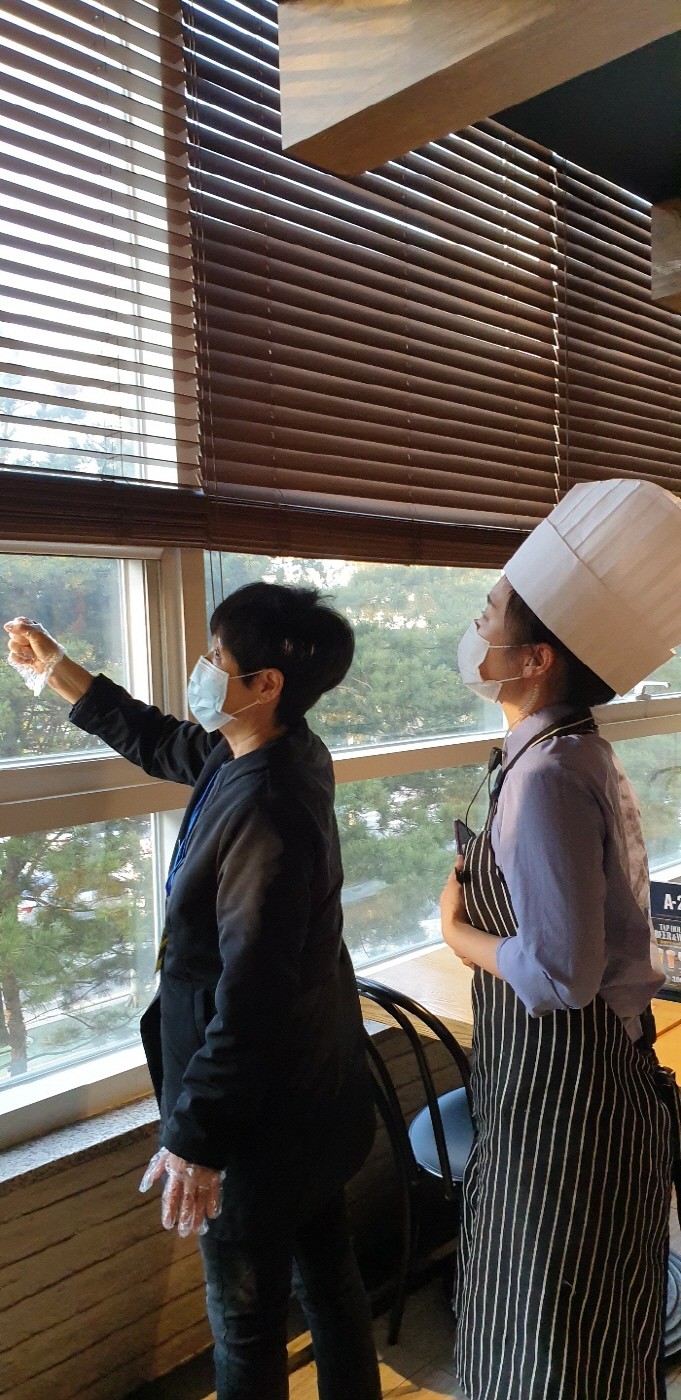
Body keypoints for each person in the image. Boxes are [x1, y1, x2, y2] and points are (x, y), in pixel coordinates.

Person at [5, 582, 381, 1400]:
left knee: (245, 1325)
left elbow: (252, 993)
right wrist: (56, 668)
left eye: (216, 656)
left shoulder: (268, 809)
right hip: (312, 1094)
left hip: (258, 1118)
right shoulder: (270, 748)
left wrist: (196, 1139)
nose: (202, 667)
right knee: (330, 1282)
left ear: (265, 683)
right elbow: (159, 740)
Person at [439, 478, 681, 1400]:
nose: (477, 623)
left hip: (569, 1107)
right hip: (566, 1093)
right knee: (568, 1324)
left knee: (552, 1335)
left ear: (534, 659)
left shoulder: (543, 776)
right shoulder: (566, 749)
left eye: (490, 613)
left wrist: (456, 933)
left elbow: (560, 974)